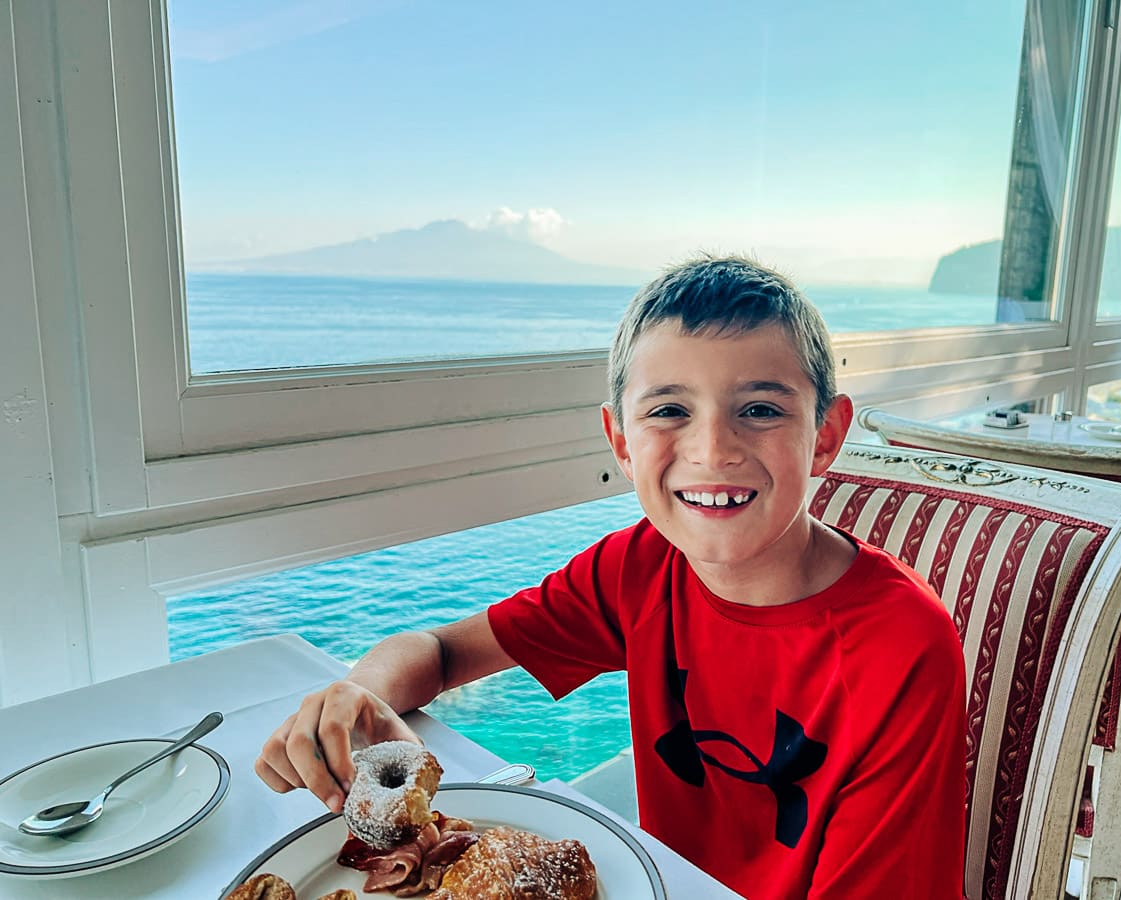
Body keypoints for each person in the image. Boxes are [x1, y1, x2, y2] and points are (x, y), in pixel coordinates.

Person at [255, 255, 967, 899]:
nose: (712, 449)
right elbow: (443, 653)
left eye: (760, 410)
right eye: (669, 411)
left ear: (828, 435)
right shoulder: (639, 568)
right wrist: (360, 692)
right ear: (622, 442)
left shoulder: (901, 645)